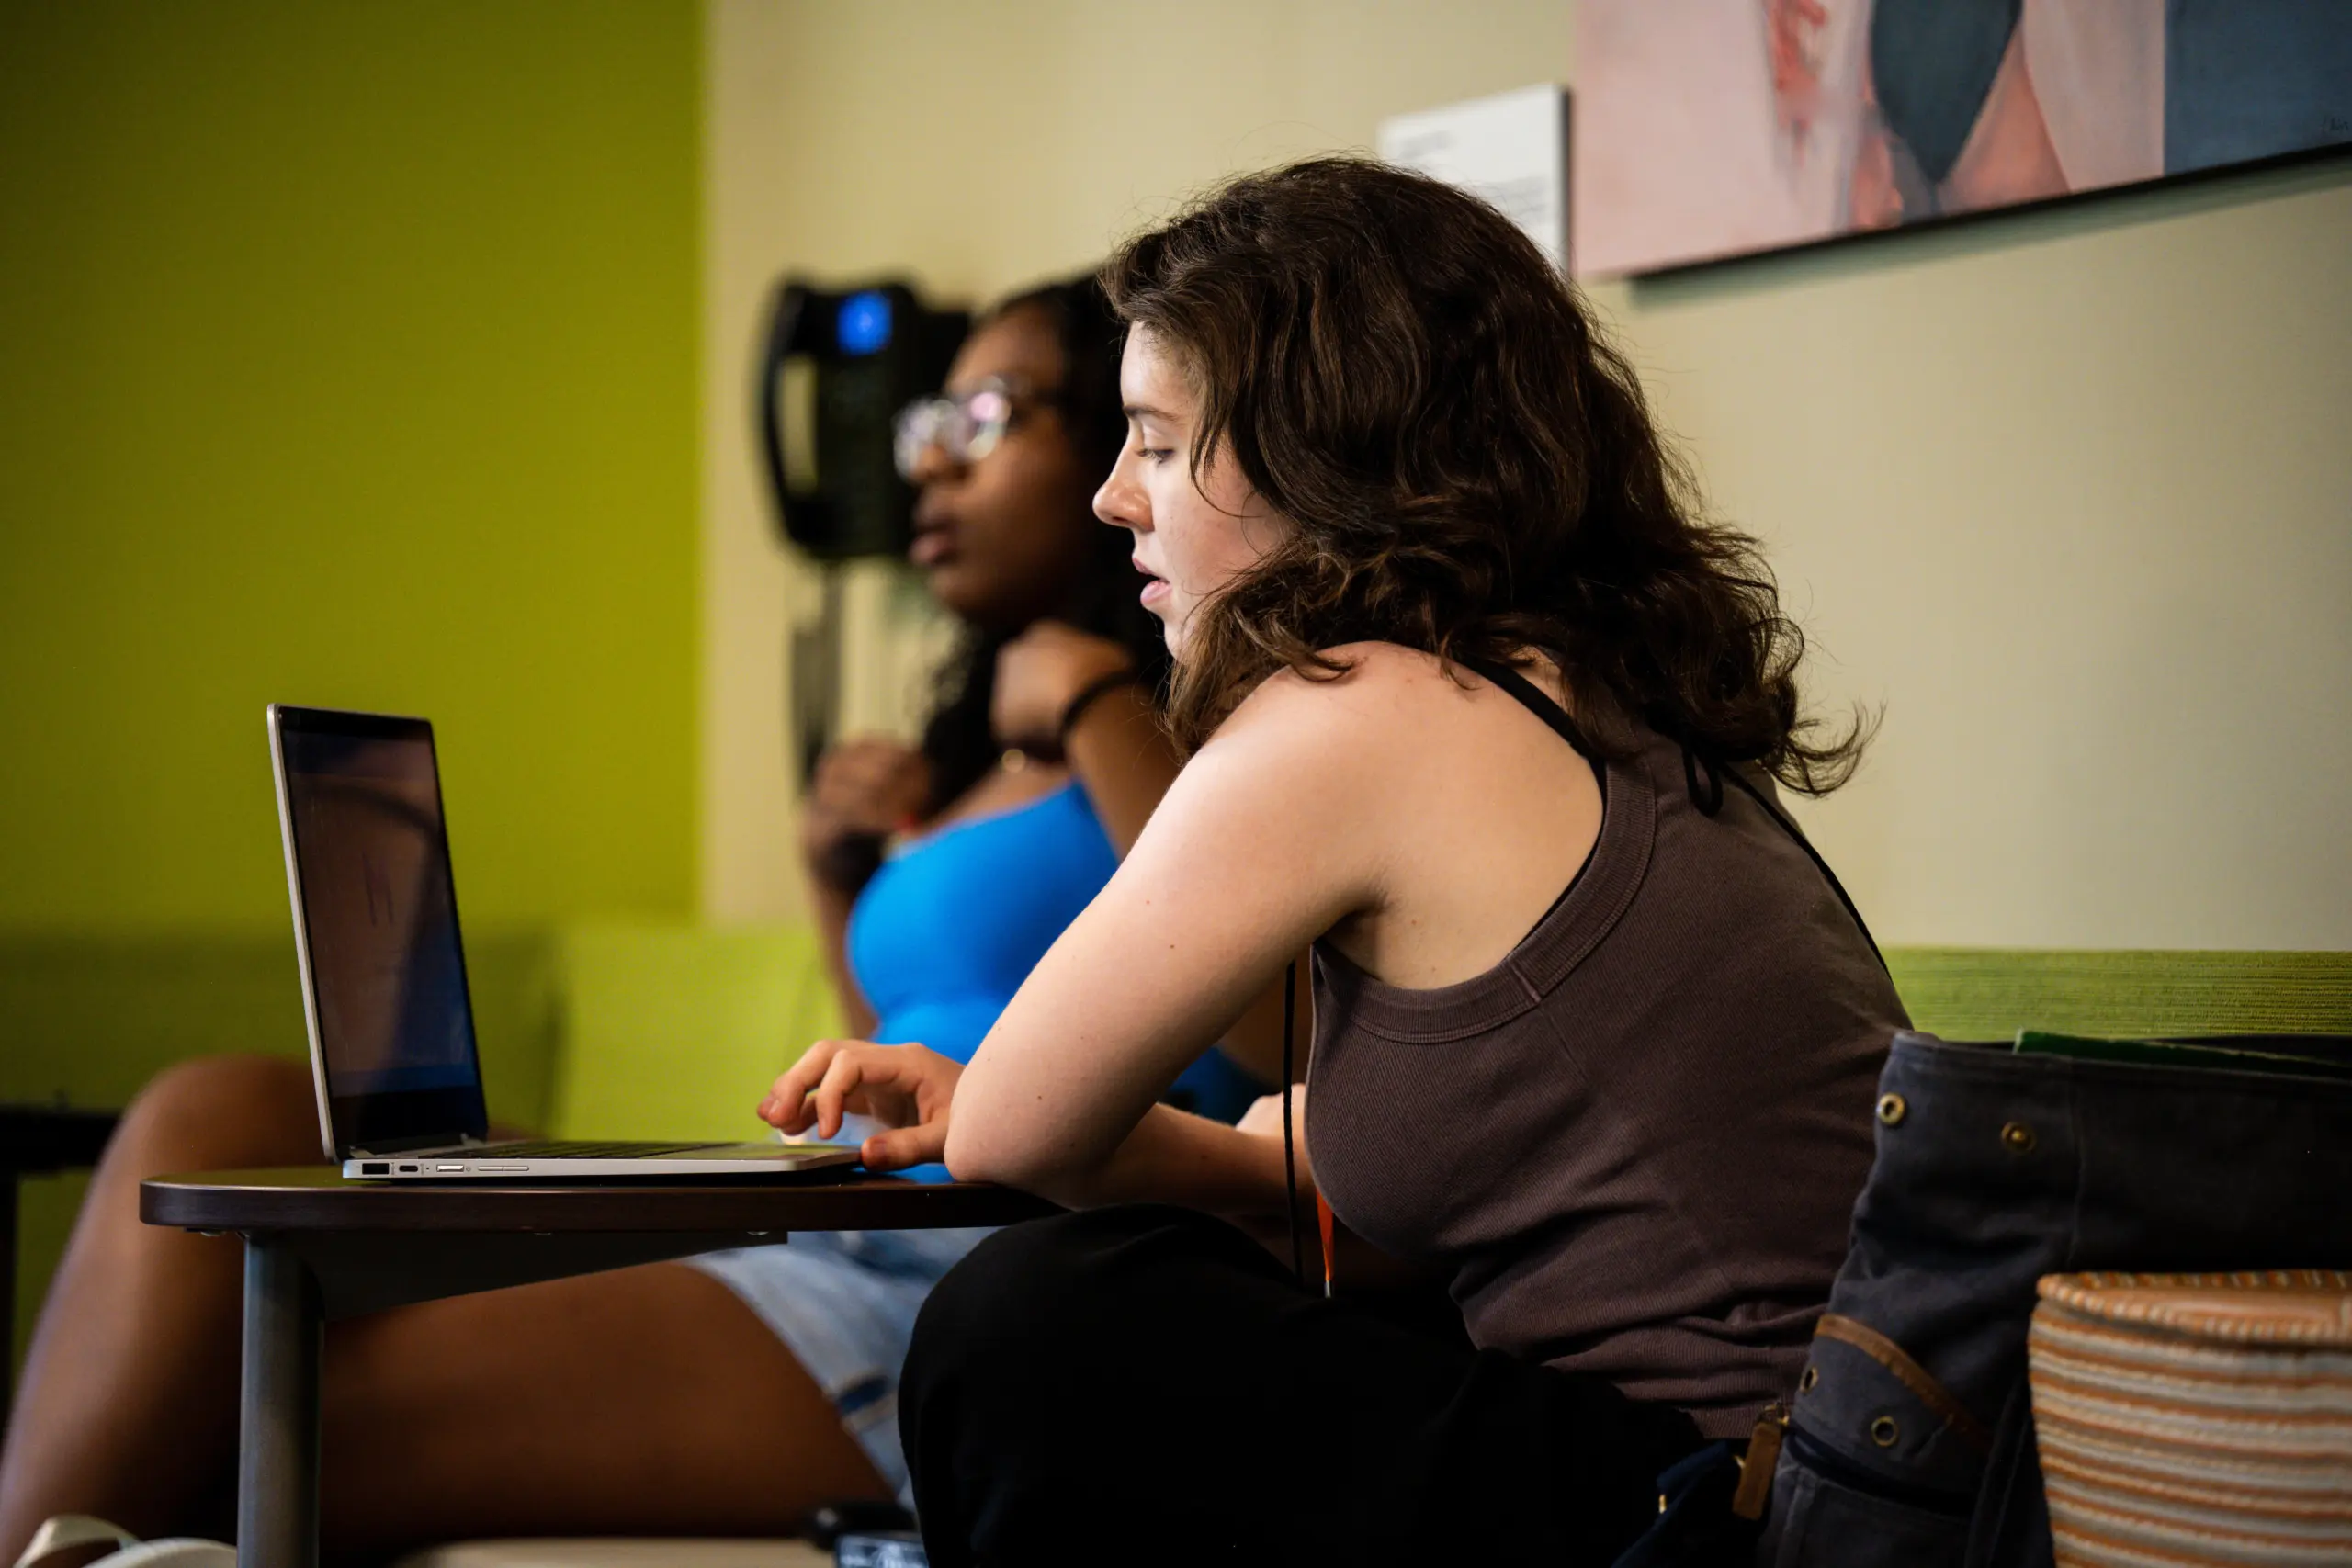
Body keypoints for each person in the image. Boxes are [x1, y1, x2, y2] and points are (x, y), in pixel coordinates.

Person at [0, 276, 1261, 1563]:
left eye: (983, 417)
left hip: (976, 1278)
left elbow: (1267, 1011)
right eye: (922, 425)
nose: (928, 465)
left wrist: (1104, 698)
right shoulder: (971, 756)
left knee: (248, 1425)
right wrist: (834, 877)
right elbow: (902, 1065)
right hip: (835, 1210)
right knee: (215, 1110)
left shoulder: (1195, 722)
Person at [759, 159, 1910, 1566]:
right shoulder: (1578, 685)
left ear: (1322, 452)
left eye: (1161, 443)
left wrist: (995, 1096)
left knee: (1035, 1322)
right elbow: (1442, 1176)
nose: (1119, 498)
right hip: (1766, 1477)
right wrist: (1040, 1105)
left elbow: (1013, 1140)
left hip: (1735, 1512)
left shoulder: (1363, 707)